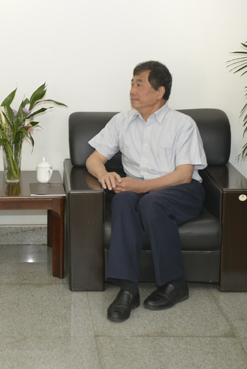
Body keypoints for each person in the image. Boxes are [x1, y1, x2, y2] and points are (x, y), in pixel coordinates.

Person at [86, 61, 207, 323]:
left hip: (180, 190)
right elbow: (93, 159)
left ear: (159, 91)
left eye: (139, 84)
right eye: (132, 83)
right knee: (122, 201)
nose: (132, 90)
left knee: (151, 203)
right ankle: (128, 289)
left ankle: (175, 283)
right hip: (138, 188)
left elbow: (184, 174)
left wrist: (141, 186)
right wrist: (103, 174)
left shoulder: (182, 124)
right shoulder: (122, 120)